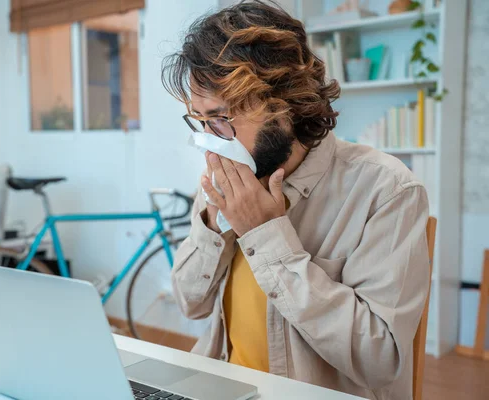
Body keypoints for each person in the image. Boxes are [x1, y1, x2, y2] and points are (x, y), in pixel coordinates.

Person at [161, 1, 430, 399]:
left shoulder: (386, 190)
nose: (209, 140)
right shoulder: (227, 177)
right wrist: (213, 222)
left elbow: (380, 359)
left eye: (220, 118)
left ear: (284, 103)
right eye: (200, 122)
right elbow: (190, 304)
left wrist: (266, 234)